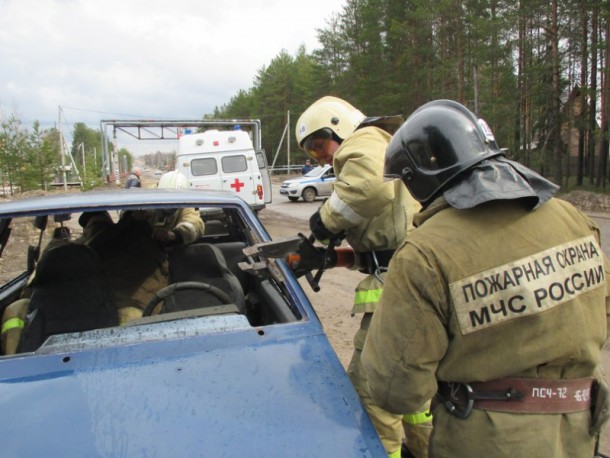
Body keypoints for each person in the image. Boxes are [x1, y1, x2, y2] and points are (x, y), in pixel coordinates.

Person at [361, 99, 610, 457]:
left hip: (488, 441)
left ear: (418, 178)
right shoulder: (572, 218)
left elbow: (395, 390)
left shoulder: (425, 253)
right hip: (578, 433)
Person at [295, 96, 427, 458]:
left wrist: (325, 221)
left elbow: (370, 187)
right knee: (415, 390)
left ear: (339, 126)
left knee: (371, 390)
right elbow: (382, 249)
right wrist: (330, 256)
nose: (319, 157)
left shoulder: (362, 140)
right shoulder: (377, 146)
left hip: (401, 289)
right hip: (407, 281)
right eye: (311, 153)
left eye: (319, 145)